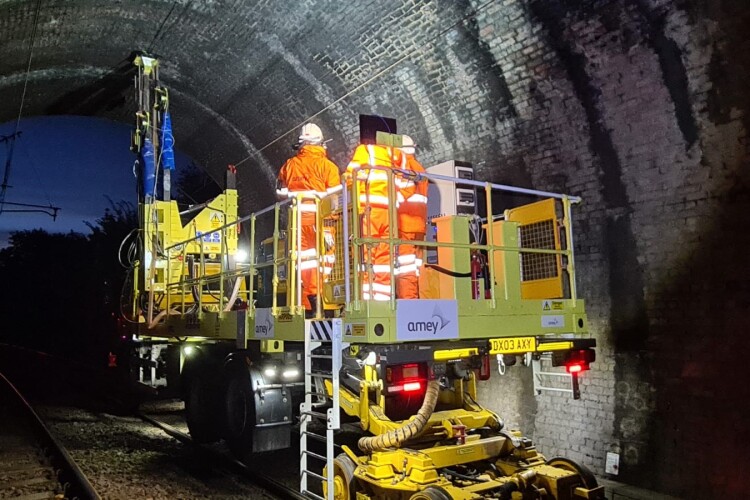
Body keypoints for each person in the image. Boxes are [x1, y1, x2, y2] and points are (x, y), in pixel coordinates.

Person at [277, 123, 341, 314]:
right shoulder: (328, 166)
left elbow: (280, 191)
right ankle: (323, 302)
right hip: (321, 221)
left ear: (301, 143)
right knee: (326, 261)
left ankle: (310, 304)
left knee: (306, 263)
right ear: (321, 143)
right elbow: (335, 199)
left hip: (298, 222)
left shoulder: (289, 165)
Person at [345, 143, 403, 301]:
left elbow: (349, 179)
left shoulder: (365, 150)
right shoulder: (395, 154)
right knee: (385, 258)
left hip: (369, 211)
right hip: (390, 213)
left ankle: (365, 300)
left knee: (365, 257)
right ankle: (384, 301)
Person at [395, 135, 428, 299]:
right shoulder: (419, 167)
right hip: (419, 226)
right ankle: (415, 299)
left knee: (406, 267)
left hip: (405, 225)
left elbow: (402, 194)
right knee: (415, 267)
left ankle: (409, 302)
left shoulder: (403, 167)